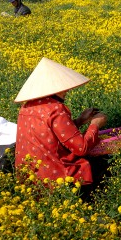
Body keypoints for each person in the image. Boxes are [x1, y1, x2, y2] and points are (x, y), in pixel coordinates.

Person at [13, 57, 110, 201]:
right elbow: (81, 148)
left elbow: (50, 135)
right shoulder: (56, 109)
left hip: (30, 176)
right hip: (54, 177)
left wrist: (81, 120)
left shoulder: (26, 107)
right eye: (63, 87)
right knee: (99, 162)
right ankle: (91, 200)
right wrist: (95, 124)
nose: (67, 90)